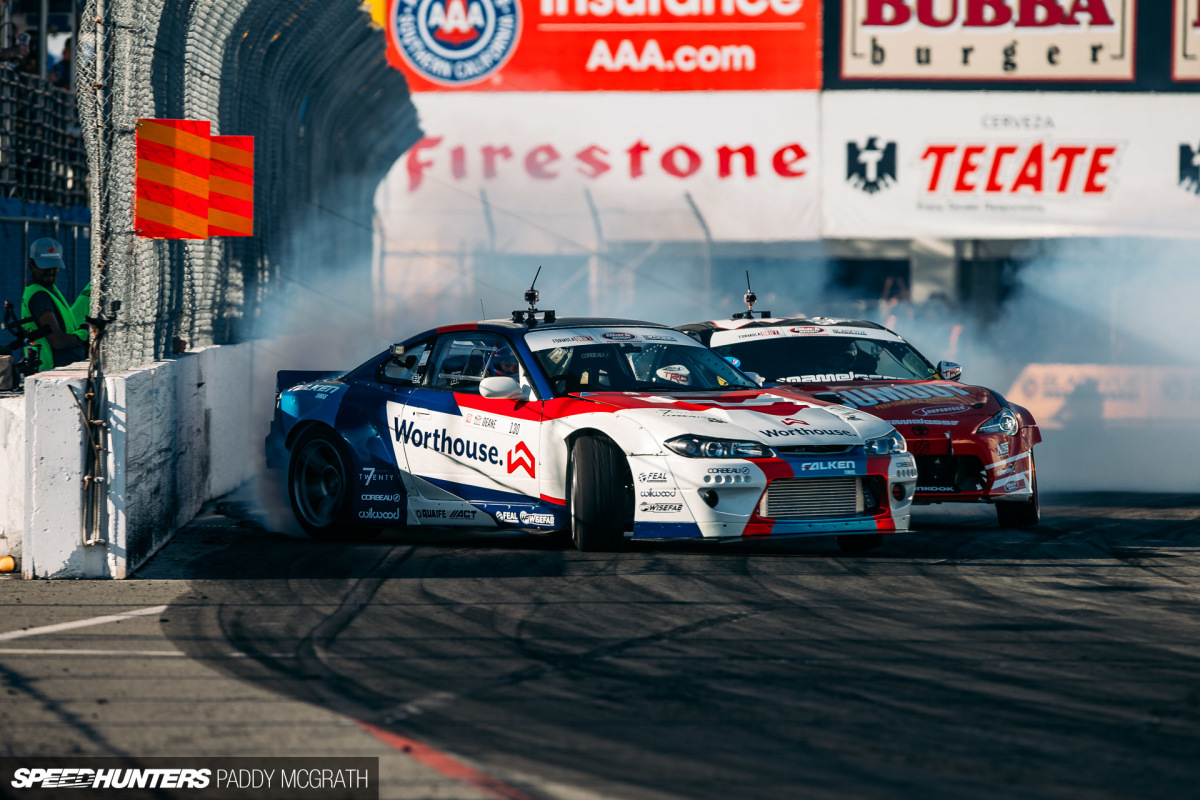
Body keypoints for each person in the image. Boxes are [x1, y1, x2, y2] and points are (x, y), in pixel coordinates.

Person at [21, 237, 88, 372]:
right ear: (31, 264)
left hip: (55, 370)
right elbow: (58, 341)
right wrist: (84, 334)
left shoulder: (48, 288)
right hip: (52, 371)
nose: (50, 270)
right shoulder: (39, 295)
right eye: (44, 265)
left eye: (54, 266)